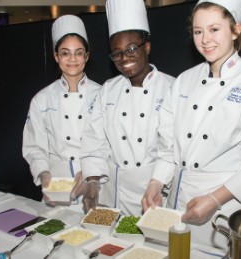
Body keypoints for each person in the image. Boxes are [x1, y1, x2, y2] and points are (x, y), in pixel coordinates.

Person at [142, 0, 241, 248]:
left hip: (223, 204)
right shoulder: (184, 81)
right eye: (198, 31)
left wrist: (214, 200)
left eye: (214, 29)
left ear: (236, 29)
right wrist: (156, 182)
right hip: (177, 200)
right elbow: (167, 146)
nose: (205, 39)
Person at [80, 0, 175, 216]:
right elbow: (94, 139)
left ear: (147, 46)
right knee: (106, 246)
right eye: (117, 53)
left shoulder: (172, 87)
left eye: (131, 49)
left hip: (156, 193)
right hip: (113, 196)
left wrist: (158, 182)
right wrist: (93, 183)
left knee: (151, 248)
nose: (124, 59)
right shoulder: (108, 90)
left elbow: (172, 149)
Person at [22, 15, 101, 212]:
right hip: (56, 190)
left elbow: (110, 145)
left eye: (78, 53)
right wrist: (43, 175)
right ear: (56, 56)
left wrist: (92, 175)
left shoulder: (102, 94)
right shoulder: (42, 99)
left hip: (94, 189)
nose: (72, 59)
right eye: (65, 53)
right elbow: (34, 147)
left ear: (87, 56)